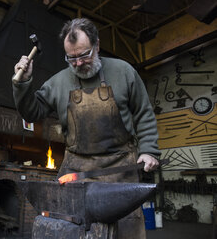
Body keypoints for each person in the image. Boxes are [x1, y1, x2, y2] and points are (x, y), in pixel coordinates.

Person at [12, 18, 160, 239]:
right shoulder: (58, 82)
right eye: (71, 58)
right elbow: (32, 113)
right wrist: (22, 83)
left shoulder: (123, 71)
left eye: (84, 55)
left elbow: (143, 113)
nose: (79, 63)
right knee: (70, 229)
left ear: (97, 46)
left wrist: (149, 150)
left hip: (119, 168)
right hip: (76, 169)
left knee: (126, 229)